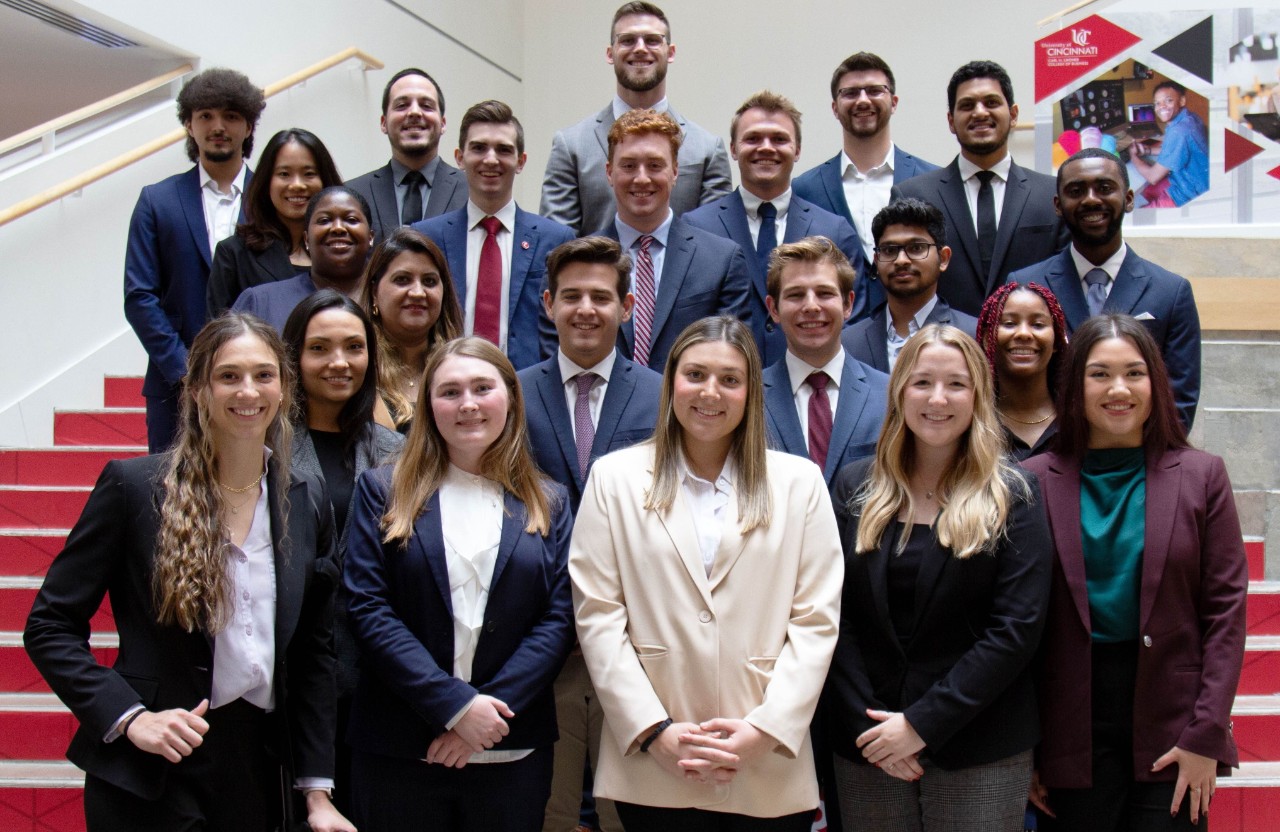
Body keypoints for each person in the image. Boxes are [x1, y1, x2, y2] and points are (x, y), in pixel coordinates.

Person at [24, 314, 353, 832]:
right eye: (229, 376)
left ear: (286, 388)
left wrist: (316, 792)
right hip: (150, 770)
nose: (248, 391)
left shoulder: (305, 501)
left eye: (264, 375)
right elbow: (49, 626)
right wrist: (131, 718)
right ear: (197, 389)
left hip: (257, 767)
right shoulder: (133, 487)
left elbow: (314, 654)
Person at [571, 316, 843, 831]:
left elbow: (816, 621)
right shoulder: (614, 478)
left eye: (730, 379)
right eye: (695, 375)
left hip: (763, 759)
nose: (709, 392)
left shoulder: (799, 483)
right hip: (654, 758)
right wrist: (654, 730)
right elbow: (599, 617)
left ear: (750, 393)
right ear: (670, 379)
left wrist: (764, 731)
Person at [823, 323, 1052, 832]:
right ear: (899, 390)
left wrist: (922, 724)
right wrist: (872, 726)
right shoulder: (854, 486)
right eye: (922, 382)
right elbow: (830, 617)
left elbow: (1016, 630)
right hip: (869, 743)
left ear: (978, 396)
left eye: (956, 384)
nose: (938, 399)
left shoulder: (1016, 494)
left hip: (978, 744)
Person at [1023, 315, 1247, 831]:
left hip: (1175, 721)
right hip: (1070, 724)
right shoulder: (1033, 479)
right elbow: (1022, 623)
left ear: (1156, 383)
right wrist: (1031, 750)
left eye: (1135, 373)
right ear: (1075, 385)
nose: (1118, 389)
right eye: (1099, 374)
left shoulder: (1202, 475)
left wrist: (1206, 734)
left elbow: (1226, 614)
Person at [344, 337, 576, 831]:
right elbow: (368, 608)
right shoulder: (382, 491)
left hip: (511, 749)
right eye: (449, 392)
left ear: (510, 397)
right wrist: (453, 706)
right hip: (403, 748)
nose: (467, 404)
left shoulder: (550, 500)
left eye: (482, 388)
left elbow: (559, 618)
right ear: (429, 405)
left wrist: (480, 722)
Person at [518, 236, 663, 832]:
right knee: (547, 807)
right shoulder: (510, 392)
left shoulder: (663, 395)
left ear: (627, 306)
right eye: (571, 296)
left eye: (601, 297)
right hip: (537, 638)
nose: (585, 309)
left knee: (626, 806)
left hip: (636, 636)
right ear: (548, 303)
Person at [282, 290, 406, 815]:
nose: (339, 362)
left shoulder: (398, 450)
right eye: (320, 348)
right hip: (288, 677)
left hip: (376, 681)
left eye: (354, 347)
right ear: (293, 357)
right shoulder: (265, 444)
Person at [124, 68, 266, 452]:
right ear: (189, 124)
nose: (217, 126)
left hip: (261, 389)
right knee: (171, 500)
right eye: (205, 115)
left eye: (231, 116)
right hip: (176, 387)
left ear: (249, 126)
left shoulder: (270, 199)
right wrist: (187, 372)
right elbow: (139, 297)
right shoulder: (157, 200)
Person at [1008, 147, 1201, 429]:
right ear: (1058, 205)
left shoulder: (1171, 292)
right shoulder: (1024, 287)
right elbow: (1012, 390)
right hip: (1046, 459)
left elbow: (1179, 404)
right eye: (1076, 190)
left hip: (1137, 462)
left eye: (1105, 188)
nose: (1090, 199)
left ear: (1129, 198)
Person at [684, 91, 863, 363]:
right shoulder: (696, 228)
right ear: (733, 148)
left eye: (779, 139)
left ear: (798, 150)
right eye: (753, 138)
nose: (766, 147)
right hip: (724, 389)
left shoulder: (834, 231)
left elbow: (853, 325)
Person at [892, 61, 1068, 317]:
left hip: (1028, 346)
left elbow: (1063, 281)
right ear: (951, 121)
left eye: (991, 102)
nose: (980, 112)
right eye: (967, 105)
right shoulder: (914, 195)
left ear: (1014, 114)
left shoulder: (1051, 194)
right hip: (943, 347)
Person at [540, 1, 732, 235]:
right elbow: (559, 248)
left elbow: (714, 250)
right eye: (628, 40)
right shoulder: (570, 146)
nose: (640, 48)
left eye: (652, 40)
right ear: (610, 53)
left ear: (670, 52)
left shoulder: (708, 150)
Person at [413, 100, 574, 370]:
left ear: (520, 161)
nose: (491, 159)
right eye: (478, 148)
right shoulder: (426, 237)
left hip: (528, 390)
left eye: (503, 150)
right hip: (446, 386)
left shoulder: (556, 240)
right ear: (459, 157)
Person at [597, 109, 752, 371]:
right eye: (629, 165)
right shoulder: (578, 262)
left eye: (655, 165)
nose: (642, 177)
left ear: (675, 171)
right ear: (610, 172)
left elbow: (734, 361)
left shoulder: (721, 261)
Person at [794, 51, 939, 310]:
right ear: (834, 108)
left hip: (917, 335)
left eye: (874, 90)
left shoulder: (931, 181)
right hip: (835, 338)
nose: (863, 100)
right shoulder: (804, 189)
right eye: (850, 93)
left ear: (894, 102)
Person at [762, 237, 888, 487]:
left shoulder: (889, 395)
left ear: (848, 304)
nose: (811, 306)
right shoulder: (747, 398)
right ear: (773, 309)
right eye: (796, 295)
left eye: (824, 293)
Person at [207, 128, 344, 316]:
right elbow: (218, 338)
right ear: (267, 181)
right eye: (284, 174)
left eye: (309, 174)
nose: (297, 184)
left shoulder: (346, 249)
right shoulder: (234, 255)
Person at [842, 198, 978, 374]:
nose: (901, 261)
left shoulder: (973, 335)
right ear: (877, 260)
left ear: (943, 258)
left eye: (916, 248)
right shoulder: (848, 342)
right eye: (889, 250)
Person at [345, 67, 467, 243]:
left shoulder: (472, 193)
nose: (415, 112)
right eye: (402, 106)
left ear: (443, 123)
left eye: (426, 106)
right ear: (383, 123)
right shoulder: (353, 194)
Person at [361, 227, 464, 431]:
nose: (418, 292)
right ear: (374, 292)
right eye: (402, 280)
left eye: (429, 282)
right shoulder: (357, 368)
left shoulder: (462, 368)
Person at [232, 186, 373, 332]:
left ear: (371, 237)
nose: (338, 228)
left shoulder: (391, 301)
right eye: (324, 220)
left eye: (351, 219)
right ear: (306, 239)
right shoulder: (260, 302)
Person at [976, 281, 1069, 460]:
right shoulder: (972, 420)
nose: (1024, 333)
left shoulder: (1078, 417)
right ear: (988, 339)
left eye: (1038, 325)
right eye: (1009, 324)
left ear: (1057, 339)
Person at [1130, 81, 1209, 208]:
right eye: (1157, 103)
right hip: (1194, 179)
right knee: (1148, 192)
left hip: (1189, 192)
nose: (1161, 107)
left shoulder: (1179, 131)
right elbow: (1175, 149)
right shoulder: (1189, 118)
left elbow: (1152, 177)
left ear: (1182, 101)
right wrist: (1148, 150)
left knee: (1142, 212)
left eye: (1168, 100)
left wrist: (1133, 156)